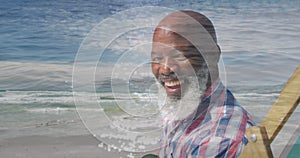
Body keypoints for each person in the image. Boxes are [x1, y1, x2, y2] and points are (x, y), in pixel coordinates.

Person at [150, 10, 255, 158]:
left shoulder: (218, 140)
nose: (165, 69)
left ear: (212, 56)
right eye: (157, 58)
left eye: (179, 56)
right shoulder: (182, 104)